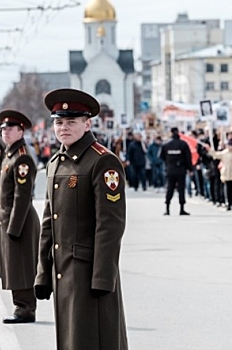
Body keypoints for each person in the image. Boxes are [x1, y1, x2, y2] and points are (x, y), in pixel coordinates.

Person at [34, 88, 128, 349]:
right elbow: (48, 222)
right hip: (62, 270)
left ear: (87, 124)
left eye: (71, 122)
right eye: (59, 122)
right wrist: (43, 273)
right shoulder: (55, 163)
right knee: (71, 339)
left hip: (89, 273)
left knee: (95, 339)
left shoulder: (102, 162)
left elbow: (110, 225)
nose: (64, 128)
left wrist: (102, 277)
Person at [0, 110, 40, 324]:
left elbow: (22, 197)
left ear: (20, 130)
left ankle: (25, 309)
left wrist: (14, 228)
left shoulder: (22, 157)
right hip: (9, 218)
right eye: (3, 129)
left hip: (20, 219)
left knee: (22, 265)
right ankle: (21, 306)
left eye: (10, 129)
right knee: (14, 265)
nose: (5, 132)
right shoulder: (10, 153)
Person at [159, 127, 193, 215]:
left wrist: (169, 161)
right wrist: (190, 169)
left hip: (170, 169)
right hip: (181, 169)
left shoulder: (166, 145)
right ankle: (181, 209)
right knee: (181, 189)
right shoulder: (183, 144)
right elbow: (188, 158)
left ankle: (167, 209)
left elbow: (161, 156)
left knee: (170, 188)